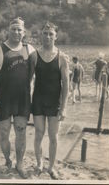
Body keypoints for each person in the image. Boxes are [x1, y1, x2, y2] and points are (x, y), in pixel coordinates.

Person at [0, 17, 35, 179]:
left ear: (24, 32)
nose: (16, 32)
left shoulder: (30, 50)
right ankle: (8, 160)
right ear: (8, 30)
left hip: (22, 100)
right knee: (4, 132)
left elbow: (42, 68)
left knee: (21, 132)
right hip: (3, 99)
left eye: (19, 29)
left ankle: (20, 164)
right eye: (13, 29)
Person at [30, 21, 69, 179]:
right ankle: (39, 164)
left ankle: (51, 167)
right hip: (38, 100)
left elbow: (66, 84)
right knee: (39, 133)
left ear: (56, 36)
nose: (47, 36)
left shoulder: (62, 57)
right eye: (45, 33)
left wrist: (64, 107)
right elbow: (29, 80)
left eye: (50, 34)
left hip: (54, 102)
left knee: (53, 136)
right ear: (41, 35)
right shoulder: (34, 56)